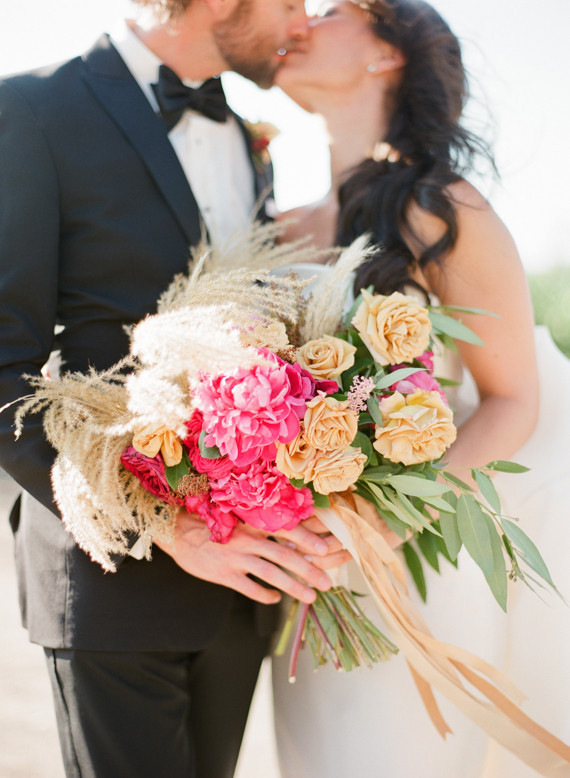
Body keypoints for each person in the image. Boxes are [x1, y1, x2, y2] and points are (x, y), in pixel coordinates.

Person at [0, 2, 354, 776]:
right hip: (111, 578)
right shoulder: (28, 109)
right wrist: (161, 524)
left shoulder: (249, 139)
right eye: (289, 2)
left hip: (241, 588)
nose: (302, 22)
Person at [271, 1, 570, 776]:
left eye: (334, 10)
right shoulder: (279, 226)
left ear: (387, 55)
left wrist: (385, 521)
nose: (301, 19)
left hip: (417, 555)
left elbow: (512, 397)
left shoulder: (442, 207)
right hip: (306, 567)